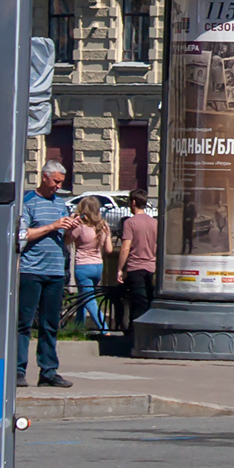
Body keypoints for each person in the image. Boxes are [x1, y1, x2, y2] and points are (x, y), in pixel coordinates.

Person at [18, 162, 75, 388]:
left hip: (55, 271)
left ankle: (48, 371)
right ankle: (18, 370)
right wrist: (53, 226)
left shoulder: (60, 204)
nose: (58, 186)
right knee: (23, 323)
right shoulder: (28, 202)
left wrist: (70, 230)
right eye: (55, 181)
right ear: (44, 177)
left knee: (50, 323)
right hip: (31, 270)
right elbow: (23, 234)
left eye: (61, 182)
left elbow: (65, 239)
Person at [67, 196, 112, 330]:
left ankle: (105, 329)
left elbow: (66, 241)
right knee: (83, 296)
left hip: (83, 266)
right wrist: (108, 235)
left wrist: (71, 223)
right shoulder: (103, 226)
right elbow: (109, 250)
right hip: (98, 266)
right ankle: (78, 327)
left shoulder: (81, 227)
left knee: (89, 300)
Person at [118, 189, 158, 325]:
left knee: (137, 305)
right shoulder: (154, 223)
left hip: (135, 267)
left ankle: (134, 334)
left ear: (133, 202)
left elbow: (125, 247)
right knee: (148, 302)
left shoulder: (130, 223)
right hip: (151, 268)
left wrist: (119, 268)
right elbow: (157, 246)